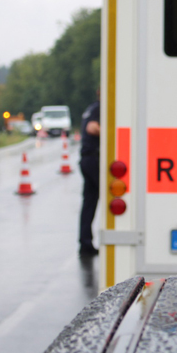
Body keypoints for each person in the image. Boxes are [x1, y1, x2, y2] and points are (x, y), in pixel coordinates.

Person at [79, 92, 100, 257]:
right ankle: (87, 242)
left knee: (89, 202)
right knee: (110, 199)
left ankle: (85, 243)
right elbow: (92, 127)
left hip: (86, 159)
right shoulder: (99, 108)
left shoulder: (91, 107)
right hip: (94, 159)